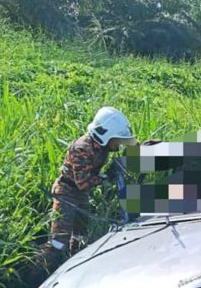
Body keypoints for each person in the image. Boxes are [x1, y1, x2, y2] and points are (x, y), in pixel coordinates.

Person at [35, 106, 137, 273]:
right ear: (105, 135)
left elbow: (130, 144)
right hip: (66, 193)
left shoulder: (103, 146)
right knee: (58, 241)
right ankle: (38, 272)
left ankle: (72, 266)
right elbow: (83, 182)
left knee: (80, 235)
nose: (118, 144)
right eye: (116, 140)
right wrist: (104, 178)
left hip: (80, 194)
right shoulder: (82, 149)